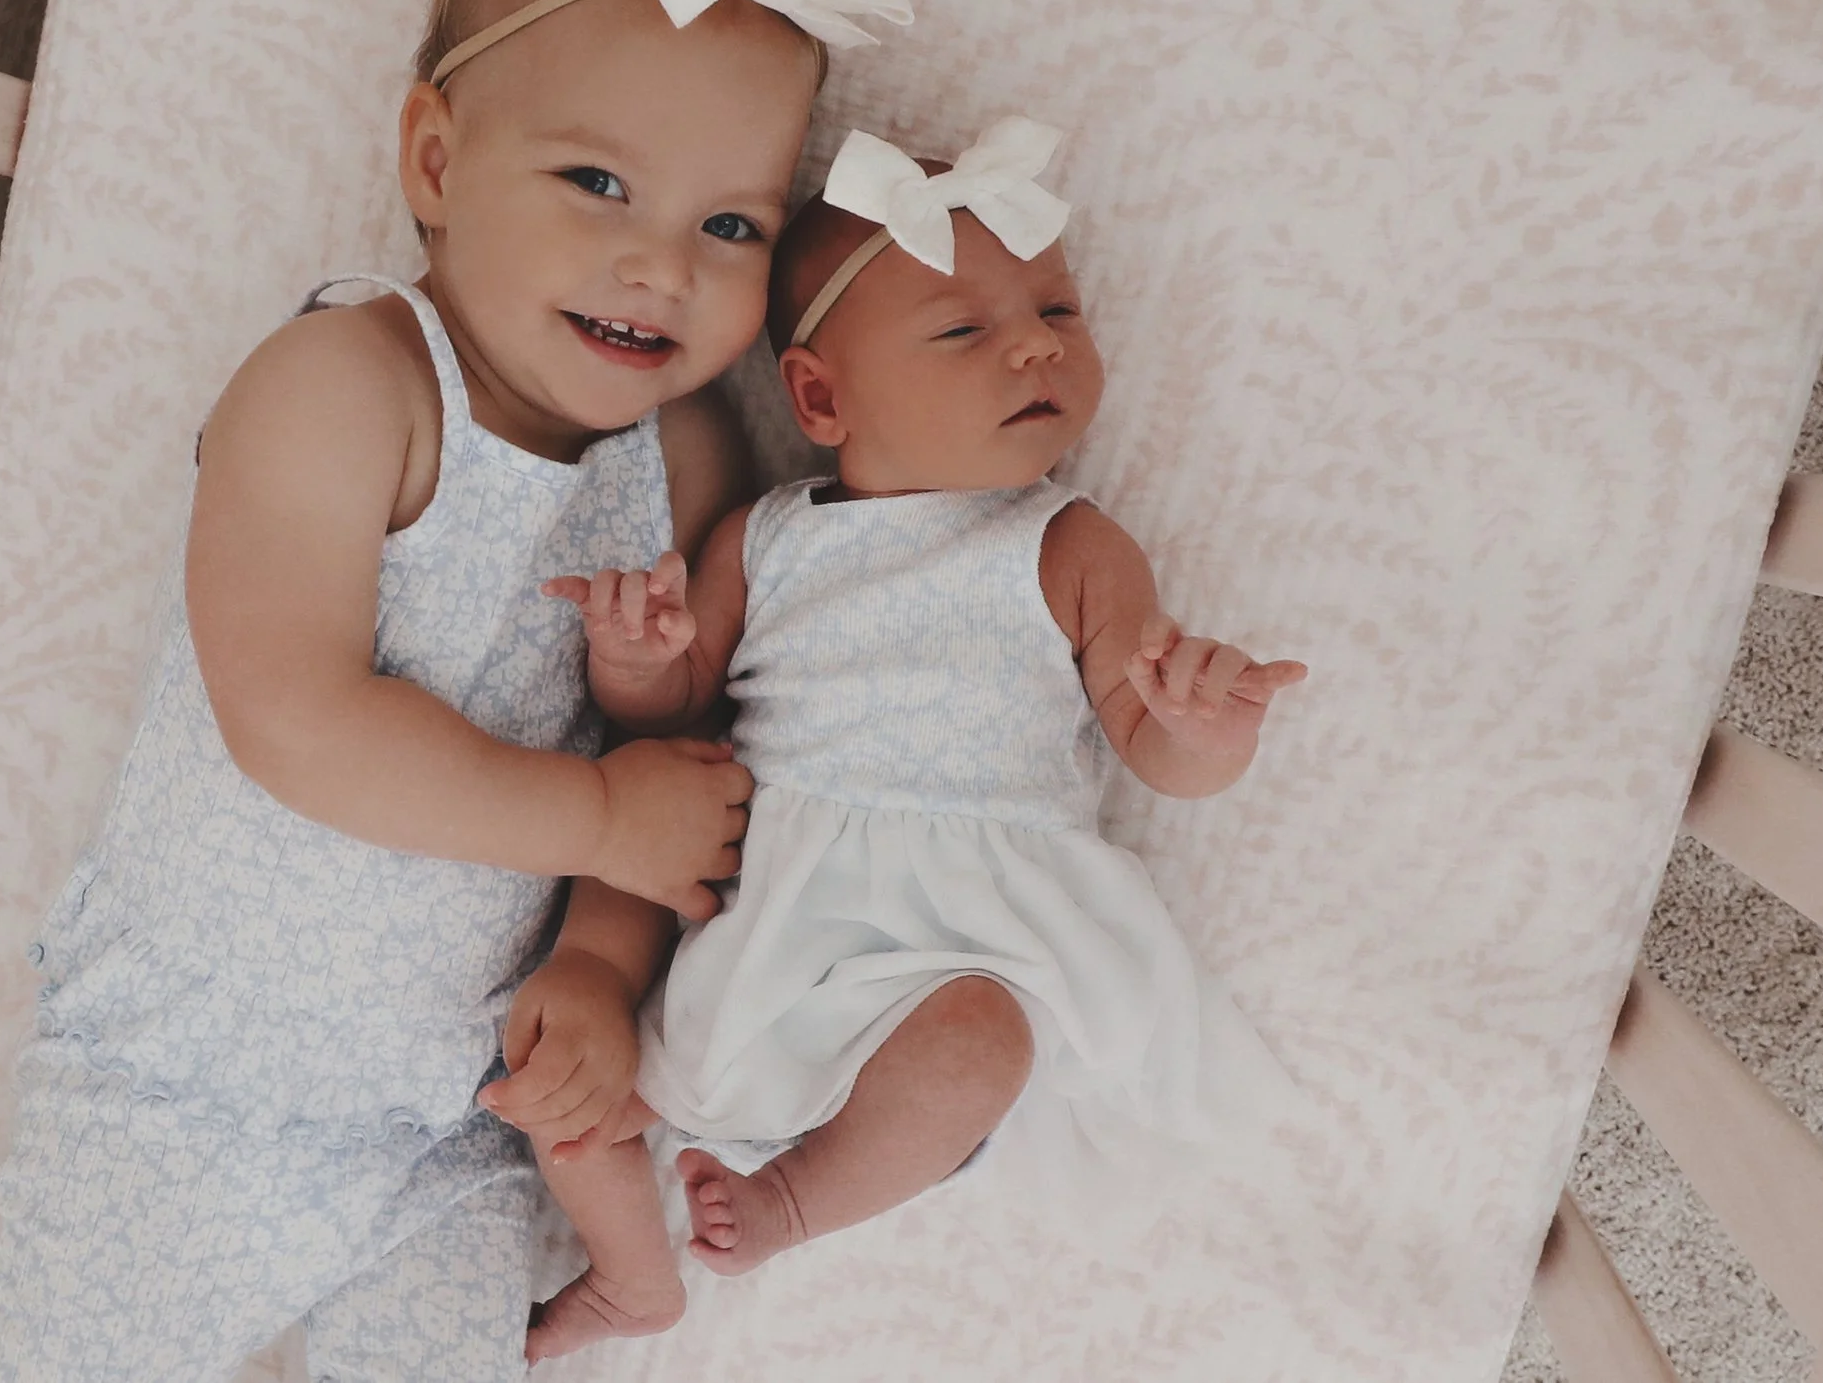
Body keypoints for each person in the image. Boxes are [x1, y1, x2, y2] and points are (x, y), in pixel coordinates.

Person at [0, 0, 908, 1383]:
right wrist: (596, 818)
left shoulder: (679, 464)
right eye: (598, 180)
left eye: (732, 223)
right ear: (437, 159)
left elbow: (669, 782)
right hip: (188, 1075)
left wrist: (599, 965)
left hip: (453, 1110)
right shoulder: (349, 382)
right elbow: (293, 716)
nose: (663, 264)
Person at [518, 118, 1303, 1358]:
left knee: (978, 1040)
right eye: (962, 330)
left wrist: (1205, 724)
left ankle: (791, 1202)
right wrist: (638, 650)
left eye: (1057, 309)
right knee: (569, 1079)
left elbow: (1154, 751)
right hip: (774, 913)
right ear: (820, 397)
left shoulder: (1070, 543)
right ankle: (632, 1273)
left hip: (972, 932)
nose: (1036, 343)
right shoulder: (763, 538)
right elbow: (668, 712)